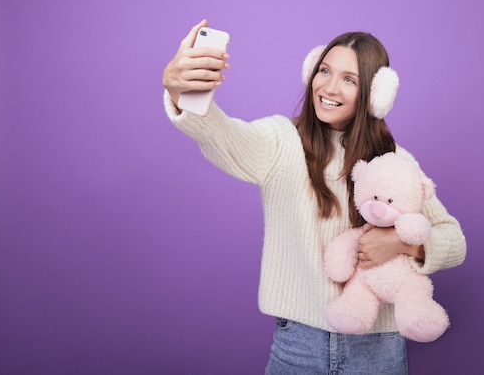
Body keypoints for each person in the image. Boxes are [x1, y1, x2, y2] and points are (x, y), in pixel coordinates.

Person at [162, 19, 466, 374]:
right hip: (298, 346)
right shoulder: (280, 140)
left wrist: (401, 243)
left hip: (378, 350)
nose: (329, 87)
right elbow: (223, 136)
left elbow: (454, 239)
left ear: (376, 93)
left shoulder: (396, 161)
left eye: (349, 79)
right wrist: (180, 93)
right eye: (324, 70)